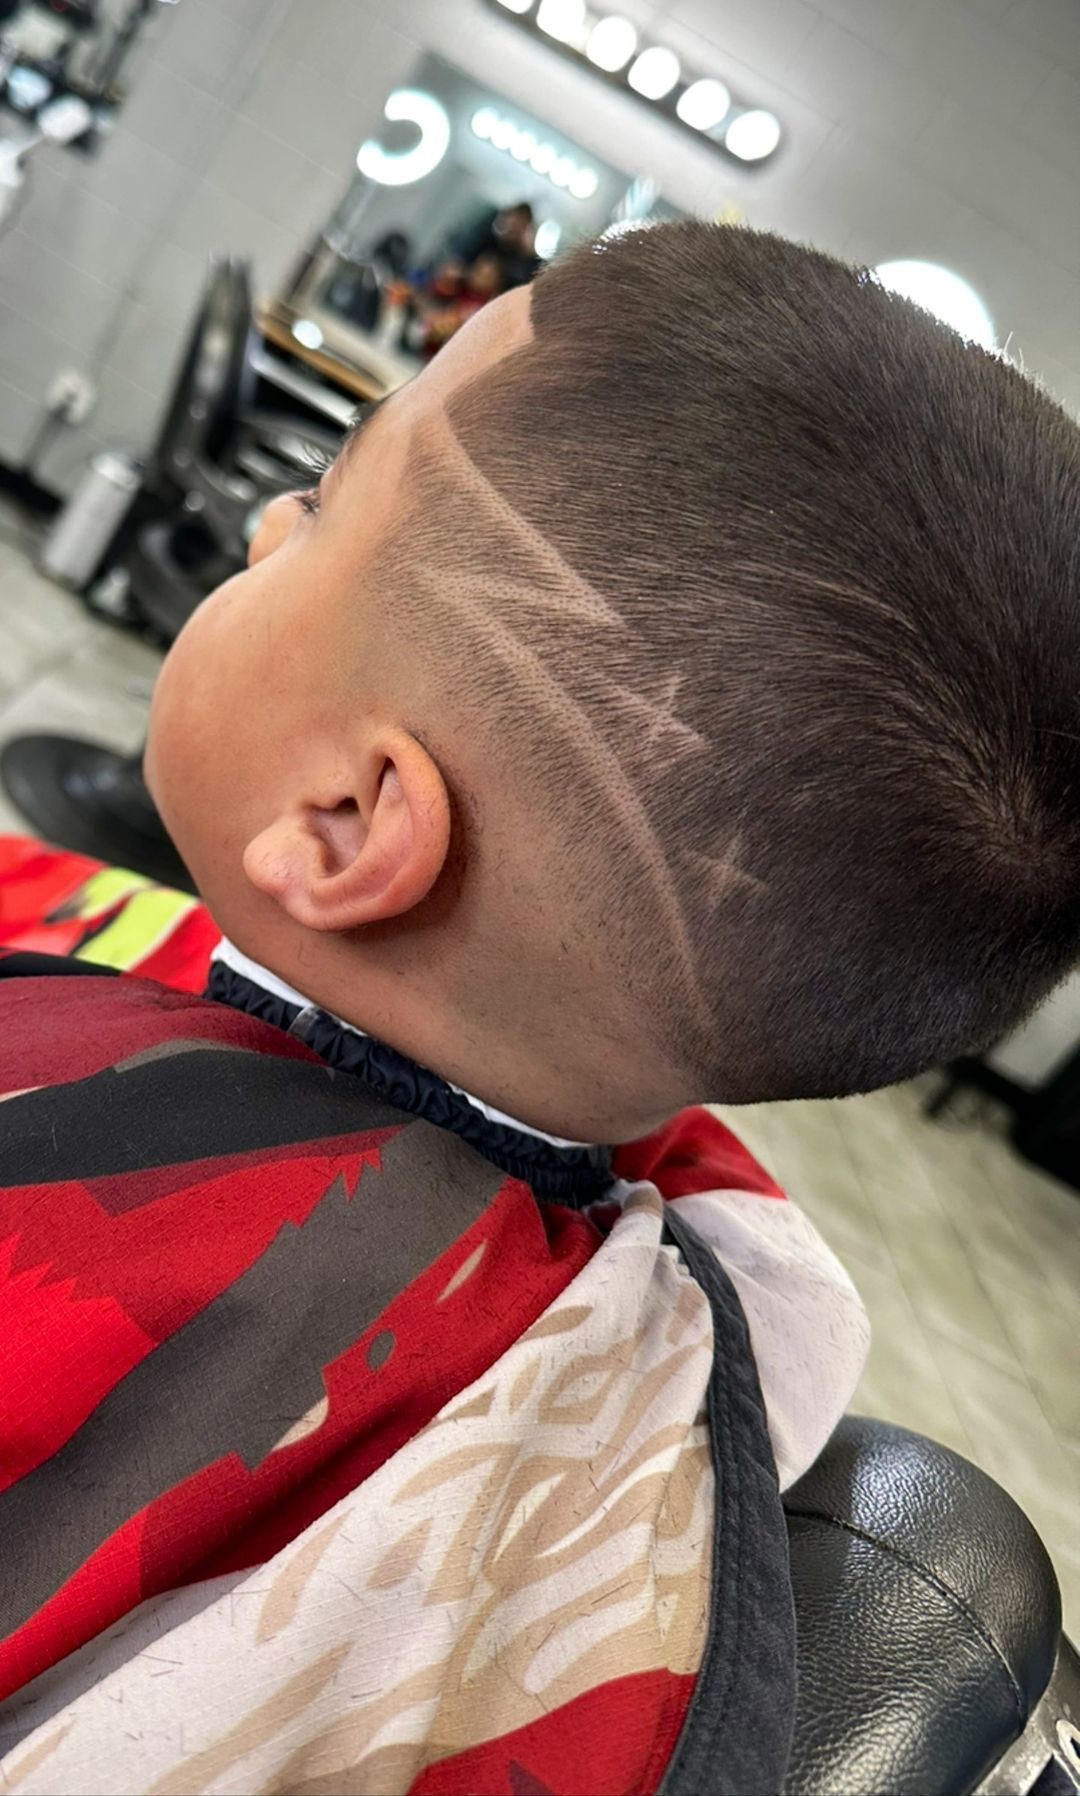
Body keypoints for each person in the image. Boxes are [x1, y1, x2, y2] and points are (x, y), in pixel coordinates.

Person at [2, 218, 1080, 1793]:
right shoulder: (671, 1271)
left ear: (351, 824)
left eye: (321, 507)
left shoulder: (86, 1221)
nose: (261, 530)